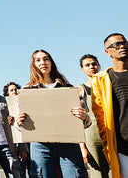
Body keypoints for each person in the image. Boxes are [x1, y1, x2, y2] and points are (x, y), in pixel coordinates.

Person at [16, 50, 89, 178]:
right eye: (37, 60)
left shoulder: (68, 88)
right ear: (33, 65)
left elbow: (86, 123)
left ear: (51, 62)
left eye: (46, 59)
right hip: (40, 146)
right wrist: (19, 121)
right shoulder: (27, 91)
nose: (43, 62)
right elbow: (19, 127)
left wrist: (84, 117)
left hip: (69, 143)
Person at [91, 33, 128, 178]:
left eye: (124, 43)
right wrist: (108, 145)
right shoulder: (101, 80)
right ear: (107, 52)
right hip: (122, 146)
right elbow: (100, 118)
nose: (122, 46)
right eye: (116, 45)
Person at [78, 54, 110, 178]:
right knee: (98, 174)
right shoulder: (80, 89)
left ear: (99, 65)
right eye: (87, 65)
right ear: (82, 69)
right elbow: (77, 120)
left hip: (111, 132)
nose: (92, 67)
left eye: (94, 64)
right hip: (92, 135)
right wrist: (82, 147)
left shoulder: (109, 85)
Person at [3, 82, 29, 178]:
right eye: (11, 90)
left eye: (16, 90)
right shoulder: (4, 107)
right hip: (14, 145)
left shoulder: (25, 104)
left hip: (28, 142)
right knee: (19, 173)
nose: (14, 92)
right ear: (7, 94)